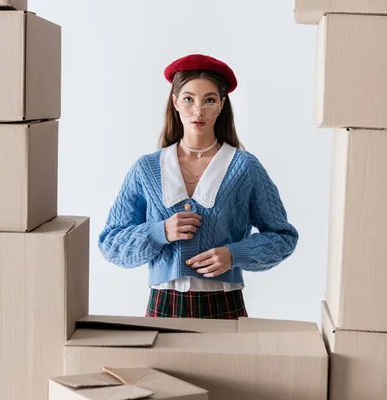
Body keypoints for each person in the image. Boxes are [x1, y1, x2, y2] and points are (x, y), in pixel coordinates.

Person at [98, 53, 299, 319]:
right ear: (175, 102)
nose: (198, 110)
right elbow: (111, 243)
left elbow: (283, 237)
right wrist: (160, 232)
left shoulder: (245, 167)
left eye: (209, 100)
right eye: (189, 99)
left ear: (221, 105)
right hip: (163, 305)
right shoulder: (147, 168)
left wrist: (234, 254)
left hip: (225, 305)